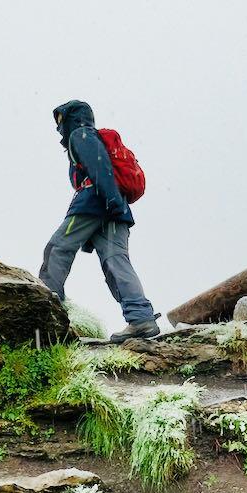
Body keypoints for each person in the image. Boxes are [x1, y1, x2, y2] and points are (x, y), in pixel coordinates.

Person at [39, 100, 160, 342]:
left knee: (58, 248)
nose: (58, 129)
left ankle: (44, 305)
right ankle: (141, 318)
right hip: (114, 207)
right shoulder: (88, 135)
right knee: (116, 262)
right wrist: (115, 202)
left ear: (71, 119)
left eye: (61, 121)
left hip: (94, 202)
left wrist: (110, 198)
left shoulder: (81, 134)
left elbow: (99, 165)